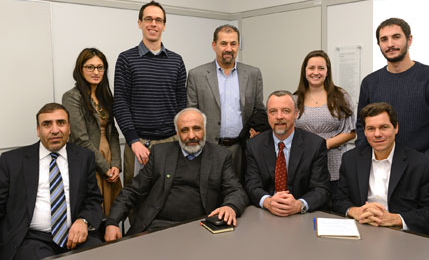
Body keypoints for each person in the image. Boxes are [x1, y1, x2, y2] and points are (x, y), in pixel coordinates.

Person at [104, 108, 248, 241]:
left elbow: (236, 190)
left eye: (196, 128)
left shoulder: (220, 156)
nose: (191, 136)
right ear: (177, 133)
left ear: (204, 129)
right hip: (156, 227)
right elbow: (132, 191)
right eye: (184, 130)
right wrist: (112, 222)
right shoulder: (160, 153)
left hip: (199, 229)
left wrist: (230, 206)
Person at [0, 103, 103, 260]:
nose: (55, 130)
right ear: (37, 130)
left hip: (75, 235)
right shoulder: (12, 161)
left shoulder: (84, 157)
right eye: (47, 124)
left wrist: (83, 220)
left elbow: (93, 199)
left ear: (69, 128)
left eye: (61, 123)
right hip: (31, 239)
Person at [334, 102, 429, 237]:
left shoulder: (421, 164)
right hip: (361, 231)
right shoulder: (350, 159)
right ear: (364, 131)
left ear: (396, 128)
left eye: (384, 127)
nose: (377, 134)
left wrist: (394, 219)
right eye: (370, 128)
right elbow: (337, 200)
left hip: (403, 236)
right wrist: (354, 211)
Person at [114, 0, 186, 187]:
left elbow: (181, 104)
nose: (153, 24)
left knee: (170, 193)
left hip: (171, 142)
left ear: (163, 25)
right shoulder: (126, 59)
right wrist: (133, 141)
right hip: (139, 144)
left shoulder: (176, 61)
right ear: (140, 23)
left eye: (158, 20)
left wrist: (179, 138)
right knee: (136, 197)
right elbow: (120, 103)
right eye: (148, 19)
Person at [356, 17, 429, 162]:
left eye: (396, 37)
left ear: (409, 40)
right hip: (379, 164)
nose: (390, 44)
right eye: (384, 39)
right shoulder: (370, 82)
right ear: (379, 44)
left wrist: (427, 161)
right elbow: (362, 126)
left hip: (420, 166)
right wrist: (364, 158)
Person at [186, 24, 264, 180]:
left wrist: (256, 131)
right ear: (214, 45)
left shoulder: (253, 74)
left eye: (233, 43)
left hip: (242, 149)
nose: (229, 48)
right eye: (224, 43)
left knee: (241, 193)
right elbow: (191, 114)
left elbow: (259, 110)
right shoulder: (197, 75)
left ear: (238, 46)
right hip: (209, 149)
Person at [245, 90, 330, 216]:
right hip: (266, 215)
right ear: (267, 115)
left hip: (303, 216)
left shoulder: (315, 145)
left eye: (286, 111)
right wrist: (268, 202)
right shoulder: (254, 145)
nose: (279, 116)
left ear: (296, 114)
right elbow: (252, 184)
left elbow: (321, 189)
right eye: (273, 111)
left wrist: (299, 205)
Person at [62, 48, 122, 217]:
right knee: (96, 211)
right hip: (89, 160)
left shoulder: (106, 97)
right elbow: (80, 139)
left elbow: (113, 134)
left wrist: (116, 165)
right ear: (80, 69)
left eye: (100, 67)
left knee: (114, 214)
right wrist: (105, 168)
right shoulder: (72, 97)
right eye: (90, 67)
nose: (96, 72)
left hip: (109, 159)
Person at [293, 50, 355, 197]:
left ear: (328, 71)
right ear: (305, 71)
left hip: (334, 164)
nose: (316, 72)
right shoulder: (295, 99)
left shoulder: (341, 96)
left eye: (321, 68)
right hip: (304, 164)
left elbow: (351, 131)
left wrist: (323, 145)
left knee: (334, 209)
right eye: (311, 68)